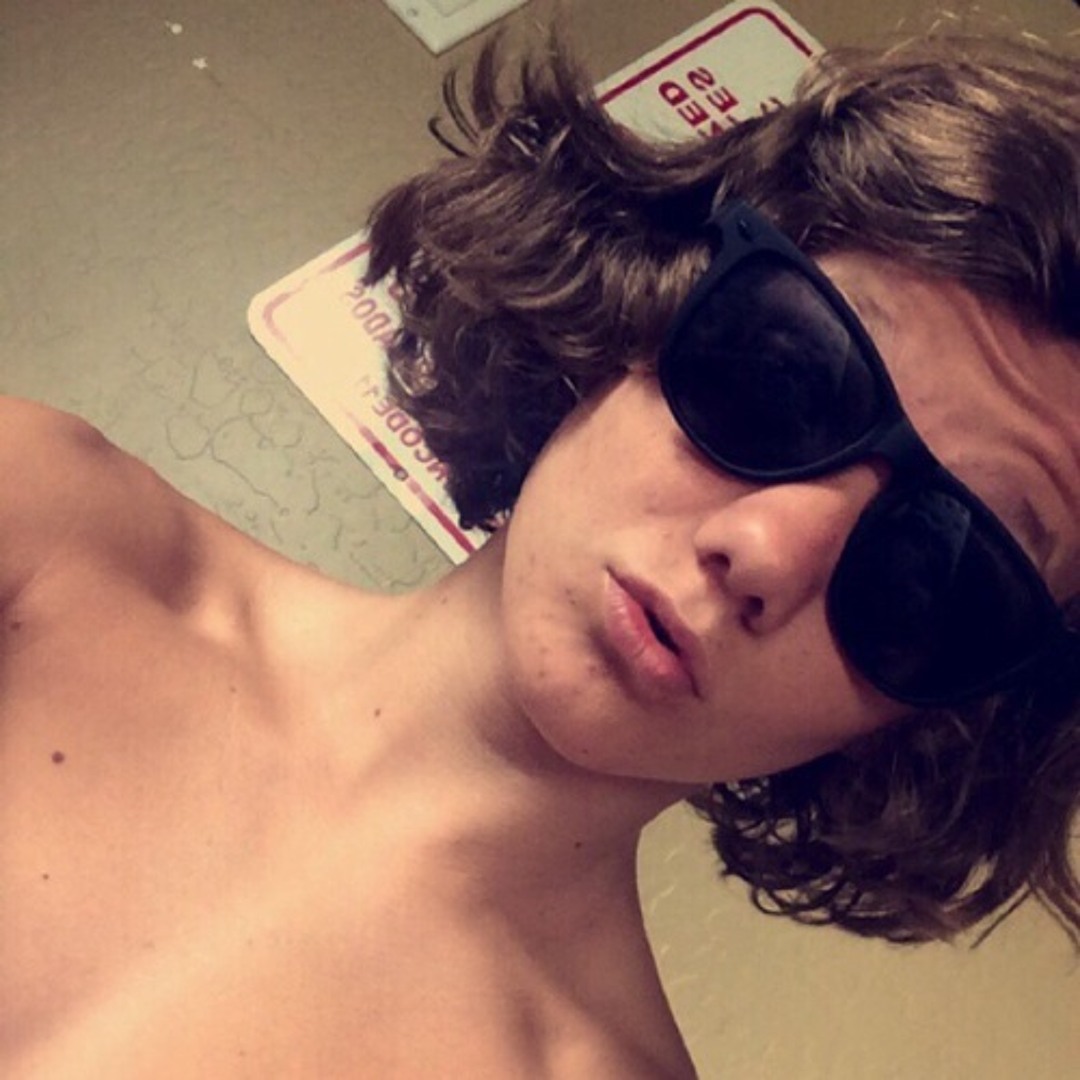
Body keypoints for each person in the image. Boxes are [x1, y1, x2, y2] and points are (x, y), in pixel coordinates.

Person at [2, 25, 1077, 1080]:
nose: (764, 552)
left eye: (945, 572)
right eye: (785, 376)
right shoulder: (42, 530)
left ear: (947, 715)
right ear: (648, 301)